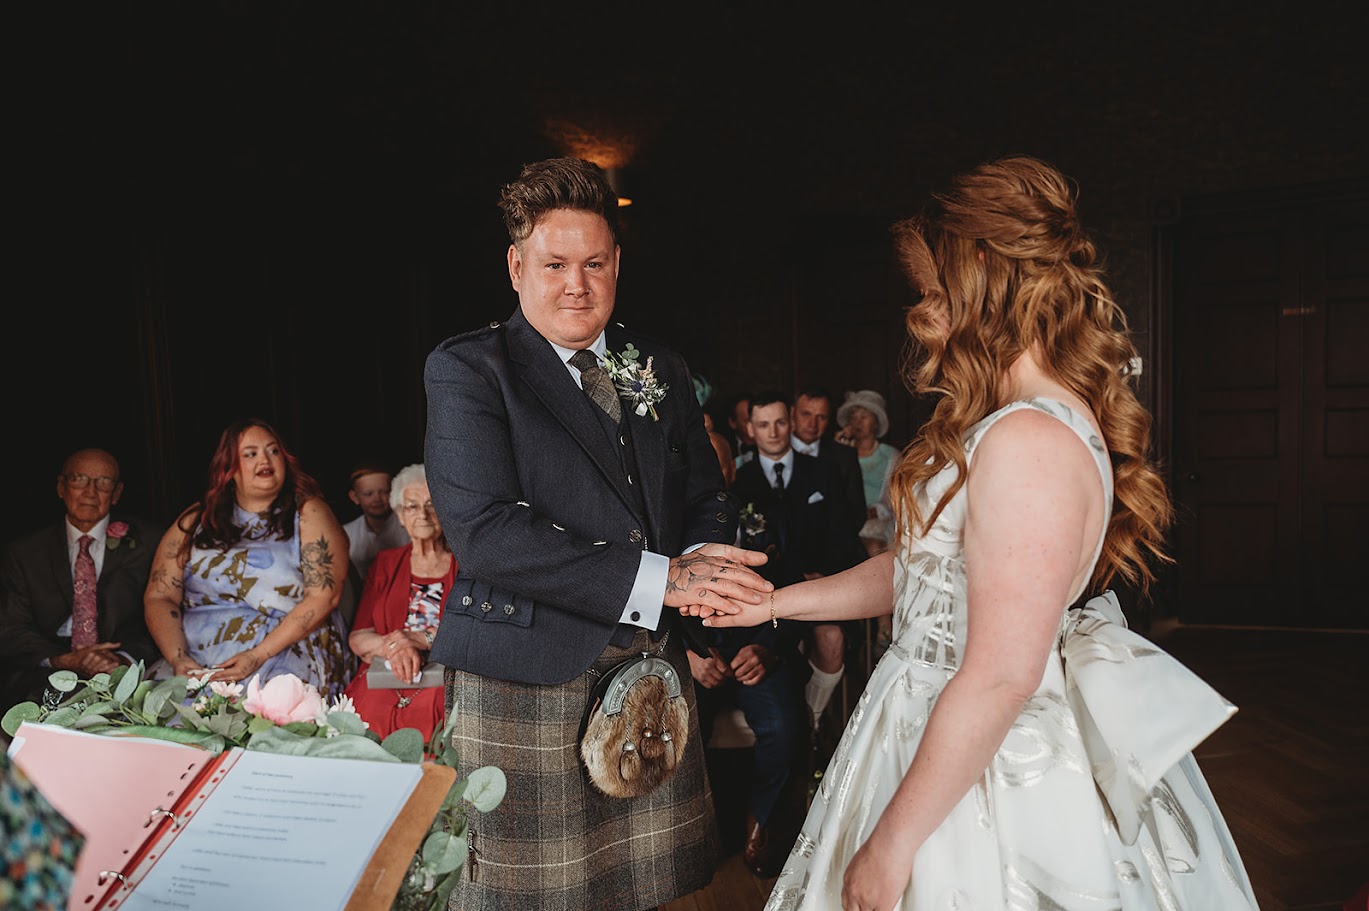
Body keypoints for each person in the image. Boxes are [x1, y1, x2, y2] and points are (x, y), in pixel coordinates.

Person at [696, 157, 1258, 910]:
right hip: (929, 723)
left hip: (989, 773)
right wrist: (771, 602)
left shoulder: (1029, 439)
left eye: (932, 286)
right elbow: (918, 574)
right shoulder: (1013, 421)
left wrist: (893, 843)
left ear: (983, 271)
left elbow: (1000, 674)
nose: (921, 309)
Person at [422, 156, 772, 911]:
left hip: (647, 668)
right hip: (524, 669)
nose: (576, 285)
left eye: (593, 263)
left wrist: (705, 559)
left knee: (642, 891)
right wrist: (662, 578)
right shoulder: (469, 369)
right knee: (525, 898)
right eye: (554, 264)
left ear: (616, 263)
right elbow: (485, 533)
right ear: (516, 266)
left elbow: (705, 491)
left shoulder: (659, 366)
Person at [143, 418, 355, 698]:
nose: (264, 460)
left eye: (273, 450)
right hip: (197, 658)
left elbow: (324, 597)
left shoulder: (308, 512)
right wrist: (177, 658)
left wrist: (257, 656)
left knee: (265, 714)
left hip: (283, 651)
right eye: (251, 453)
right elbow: (160, 596)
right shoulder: (196, 519)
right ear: (229, 468)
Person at [733, 391, 865, 739]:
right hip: (765, 596)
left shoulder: (824, 472)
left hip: (821, 585)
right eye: (763, 425)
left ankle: (814, 717)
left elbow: (844, 533)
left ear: (790, 421)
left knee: (831, 638)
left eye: (779, 423)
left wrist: (824, 576)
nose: (773, 432)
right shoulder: (739, 480)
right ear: (750, 429)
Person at [0, 448, 162, 711]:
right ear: (61, 487)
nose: (90, 491)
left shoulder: (150, 543)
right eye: (79, 479)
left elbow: (163, 613)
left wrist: (122, 660)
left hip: (124, 665)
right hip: (49, 669)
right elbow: (10, 629)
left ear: (117, 493)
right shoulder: (25, 553)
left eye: (104, 482)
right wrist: (66, 660)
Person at [340, 463, 453, 743]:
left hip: (444, 672)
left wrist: (418, 639)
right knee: (363, 725)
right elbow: (358, 637)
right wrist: (396, 646)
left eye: (431, 504)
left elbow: (476, 633)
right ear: (400, 516)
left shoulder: (465, 567)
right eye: (412, 506)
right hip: (386, 671)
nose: (423, 514)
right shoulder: (386, 563)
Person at [789, 384, 866, 537]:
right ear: (792, 413)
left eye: (821, 417)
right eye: (806, 414)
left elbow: (856, 514)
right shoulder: (775, 452)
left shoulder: (844, 456)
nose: (813, 424)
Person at [835, 389, 901, 558]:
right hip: (843, 523)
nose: (858, 423)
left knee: (873, 549)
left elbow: (894, 498)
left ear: (876, 423)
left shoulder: (890, 456)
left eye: (864, 417)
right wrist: (839, 451)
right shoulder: (841, 451)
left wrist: (872, 511)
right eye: (853, 418)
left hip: (877, 526)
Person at [340, 463, 410, 582]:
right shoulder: (345, 534)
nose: (377, 499)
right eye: (368, 494)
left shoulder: (412, 527)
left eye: (384, 492)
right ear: (354, 497)